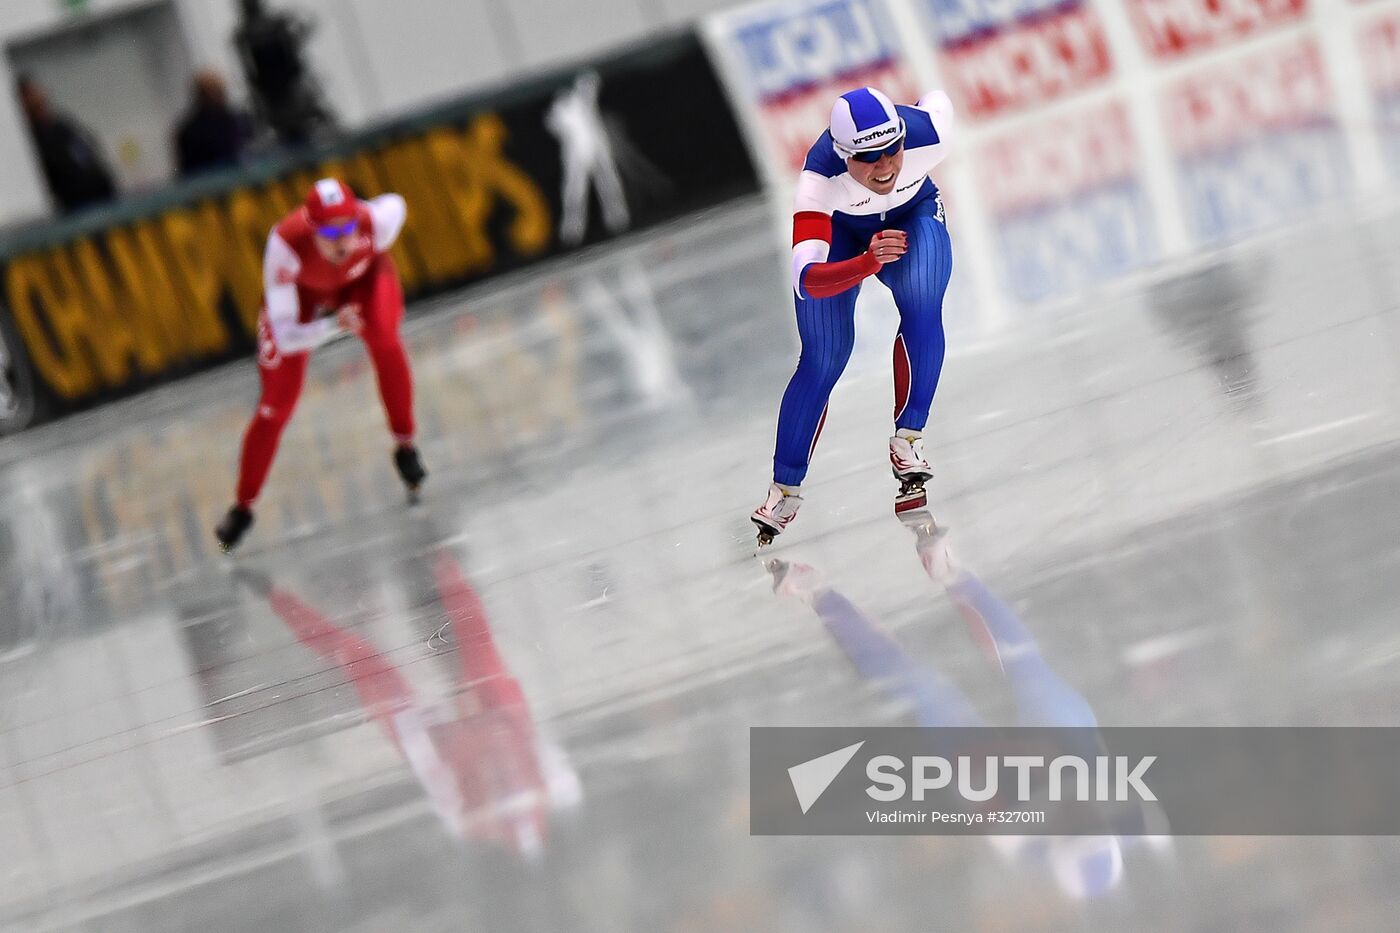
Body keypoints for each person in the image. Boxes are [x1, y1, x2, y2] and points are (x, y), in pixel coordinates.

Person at [750, 87, 955, 545]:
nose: (885, 167)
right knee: (824, 357)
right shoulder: (819, 180)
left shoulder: (931, 135)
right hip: (843, 237)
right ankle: (784, 488)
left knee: (923, 296)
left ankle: (909, 439)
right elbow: (807, 278)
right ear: (843, 155)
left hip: (913, 214)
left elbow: (937, 98)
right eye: (869, 158)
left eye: (892, 151)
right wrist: (866, 262)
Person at [215, 178, 426, 551]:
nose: (341, 240)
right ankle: (243, 506)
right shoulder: (284, 246)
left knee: (385, 336)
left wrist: (353, 303)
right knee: (276, 404)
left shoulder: (376, 221)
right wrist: (332, 325)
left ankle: (405, 445)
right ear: (311, 228)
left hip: (362, 282)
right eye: (329, 232)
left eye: (347, 227)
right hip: (302, 297)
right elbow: (285, 335)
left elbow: (398, 200)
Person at [16, 74, 117, 214]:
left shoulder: (62, 126)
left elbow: (88, 149)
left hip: (103, 196)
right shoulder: (33, 139)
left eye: (37, 91)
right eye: (31, 94)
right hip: (76, 206)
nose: (38, 96)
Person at [174, 70, 251, 177]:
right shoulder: (190, 133)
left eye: (219, 92)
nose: (218, 97)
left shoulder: (235, 121)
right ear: (201, 97)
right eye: (213, 92)